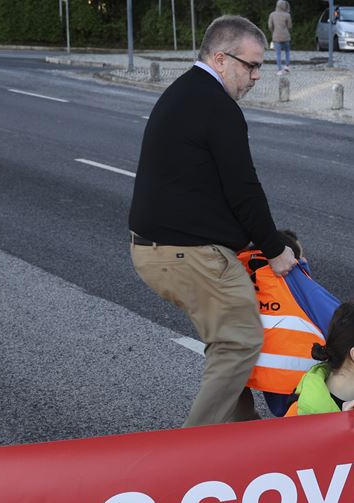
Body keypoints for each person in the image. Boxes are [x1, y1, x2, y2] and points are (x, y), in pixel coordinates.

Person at [130, 16, 297, 428]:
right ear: (221, 59)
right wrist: (275, 249)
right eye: (251, 65)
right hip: (188, 253)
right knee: (240, 340)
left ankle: (242, 432)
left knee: (227, 340)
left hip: (158, 249)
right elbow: (243, 190)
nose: (257, 76)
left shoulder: (186, 91)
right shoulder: (217, 107)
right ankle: (192, 455)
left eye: (261, 66)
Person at [238, 230, 354, 416]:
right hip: (312, 397)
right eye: (301, 258)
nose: (305, 262)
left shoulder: (237, 286)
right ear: (291, 261)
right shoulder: (303, 292)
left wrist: (248, 419)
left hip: (276, 395)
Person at [267, 0, 292, 76]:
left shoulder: (272, 14)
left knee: (278, 54)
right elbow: (290, 26)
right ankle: (287, 66)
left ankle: (279, 70)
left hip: (276, 36)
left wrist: (273, 31)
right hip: (286, 36)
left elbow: (270, 26)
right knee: (287, 52)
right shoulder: (287, 15)